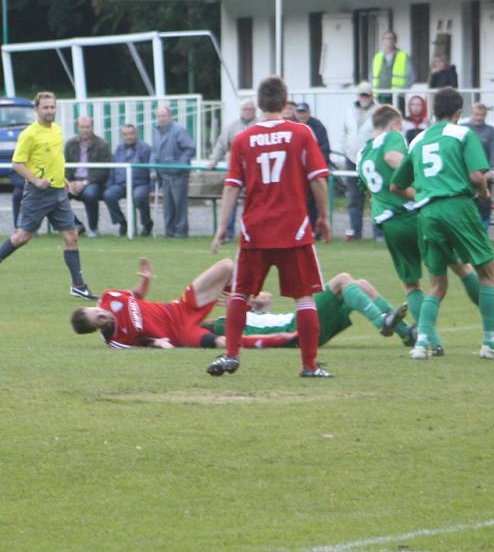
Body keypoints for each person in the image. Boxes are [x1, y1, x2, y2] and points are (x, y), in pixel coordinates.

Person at [208, 76, 332, 378]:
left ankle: (231, 354)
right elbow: (317, 178)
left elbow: (231, 187)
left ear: (260, 104)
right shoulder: (301, 133)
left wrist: (221, 227)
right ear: (284, 101)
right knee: (304, 298)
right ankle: (309, 366)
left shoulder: (243, 139)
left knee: (240, 293)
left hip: (255, 231)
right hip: (294, 230)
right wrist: (325, 216)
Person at [391, 87, 494, 361]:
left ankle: (421, 344)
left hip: (427, 214)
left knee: (437, 283)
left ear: (434, 111)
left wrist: (423, 195)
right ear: (459, 113)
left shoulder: (418, 140)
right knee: (487, 273)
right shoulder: (463, 134)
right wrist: (483, 193)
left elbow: (396, 185)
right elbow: (475, 176)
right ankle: (490, 343)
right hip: (457, 206)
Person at [357, 105, 484, 355]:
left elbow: (366, 190)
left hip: (389, 224)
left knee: (411, 285)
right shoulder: (392, 137)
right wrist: (422, 177)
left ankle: (431, 341)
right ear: (394, 124)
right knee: (459, 267)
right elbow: (393, 159)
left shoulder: (362, 152)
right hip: (413, 214)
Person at [70, 257, 293, 351]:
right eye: (99, 318)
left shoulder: (109, 298)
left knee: (226, 266)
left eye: (97, 310)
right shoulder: (115, 340)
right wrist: (157, 344)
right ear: (96, 328)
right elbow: (142, 345)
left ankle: (245, 303)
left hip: (180, 307)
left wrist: (145, 278)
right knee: (226, 343)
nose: (103, 313)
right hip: (181, 333)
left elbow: (137, 295)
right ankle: (283, 340)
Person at [0, 92, 96, 300]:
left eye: (52, 107)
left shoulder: (57, 130)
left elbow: (55, 160)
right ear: (37, 109)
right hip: (37, 193)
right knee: (22, 237)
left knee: (71, 236)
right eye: (46, 107)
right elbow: (17, 164)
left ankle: (78, 286)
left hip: (59, 192)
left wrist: (66, 182)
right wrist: (36, 181)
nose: (50, 111)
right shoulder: (29, 134)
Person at [210, 272, 411, 347]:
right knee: (342, 280)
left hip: (304, 328)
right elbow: (200, 332)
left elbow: (267, 299)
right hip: (297, 328)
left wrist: (248, 299)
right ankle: (380, 321)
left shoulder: (250, 313)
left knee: (361, 285)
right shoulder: (224, 323)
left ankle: (407, 334)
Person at [207, 101, 259, 240]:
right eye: (245, 109)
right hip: (236, 170)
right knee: (230, 199)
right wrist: (213, 161)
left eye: (250, 109)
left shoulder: (260, 125)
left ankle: (254, 232)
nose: (248, 111)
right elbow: (221, 144)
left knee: (256, 202)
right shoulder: (232, 127)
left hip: (255, 172)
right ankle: (227, 232)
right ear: (241, 110)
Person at [151, 106, 195, 238]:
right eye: (158, 116)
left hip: (179, 175)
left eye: (163, 115)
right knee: (168, 206)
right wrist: (153, 168)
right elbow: (154, 153)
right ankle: (169, 232)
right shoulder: (157, 132)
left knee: (179, 205)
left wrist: (180, 165)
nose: (161, 118)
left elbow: (190, 149)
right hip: (164, 175)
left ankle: (181, 232)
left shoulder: (179, 130)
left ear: (170, 116)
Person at [341, 82, 379, 241]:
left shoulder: (378, 111)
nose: (364, 98)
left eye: (366, 95)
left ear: (371, 96)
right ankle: (356, 233)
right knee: (354, 199)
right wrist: (346, 147)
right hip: (351, 158)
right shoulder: (350, 110)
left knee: (375, 197)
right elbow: (346, 131)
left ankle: (379, 234)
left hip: (370, 159)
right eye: (361, 94)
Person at [64, 115, 112, 238]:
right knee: (57, 195)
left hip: (93, 182)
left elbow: (104, 171)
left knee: (90, 194)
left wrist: (84, 183)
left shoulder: (103, 145)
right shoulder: (70, 144)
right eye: (82, 127)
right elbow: (65, 166)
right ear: (77, 128)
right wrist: (70, 183)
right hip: (73, 181)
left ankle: (93, 228)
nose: (85, 130)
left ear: (92, 127)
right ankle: (76, 225)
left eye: (87, 127)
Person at [105, 124, 153, 236]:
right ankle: (122, 222)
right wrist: (110, 184)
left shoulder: (145, 148)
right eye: (126, 134)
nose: (129, 137)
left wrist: (152, 186)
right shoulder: (119, 148)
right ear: (122, 136)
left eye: (131, 133)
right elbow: (113, 167)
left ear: (136, 134)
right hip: (121, 184)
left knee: (139, 196)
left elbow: (151, 168)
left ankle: (147, 224)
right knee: (108, 195)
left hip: (140, 184)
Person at [296, 101, 332, 236]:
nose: (301, 115)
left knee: (314, 201)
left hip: (312, 171)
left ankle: (313, 230)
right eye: (299, 112)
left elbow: (324, 149)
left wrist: (317, 168)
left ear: (309, 112)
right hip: (297, 173)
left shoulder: (317, 127)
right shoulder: (292, 126)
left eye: (303, 112)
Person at [460, 103, 494, 230]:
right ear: (471, 113)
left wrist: (491, 170)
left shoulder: (490, 130)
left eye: (482, 115)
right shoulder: (462, 129)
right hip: (466, 176)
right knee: (467, 206)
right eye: (476, 114)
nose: (479, 118)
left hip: (485, 175)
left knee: (484, 205)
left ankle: (484, 232)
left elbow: (493, 152)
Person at [371, 30, 414, 107]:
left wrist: (402, 91)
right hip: (380, 95)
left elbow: (410, 76)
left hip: (397, 96)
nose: (389, 41)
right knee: (381, 118)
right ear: (383, 41)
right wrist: (373, 91)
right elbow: (371, 76)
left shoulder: (403, 55)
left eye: (391, 38)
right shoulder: (377, 57)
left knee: (397, 118)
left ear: (395, 40)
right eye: (387, 38)